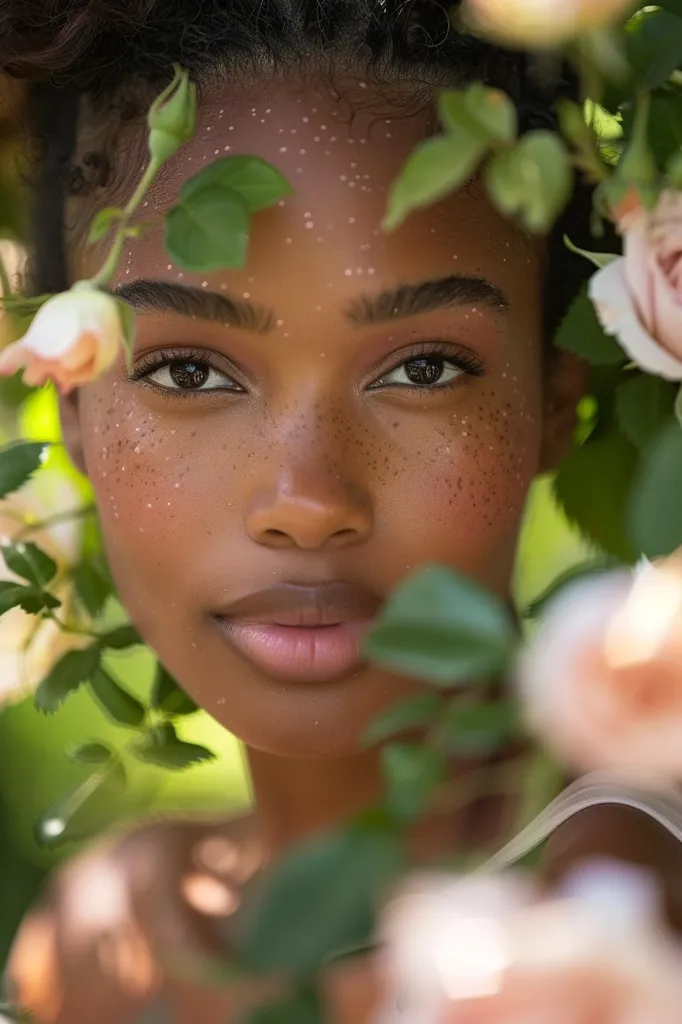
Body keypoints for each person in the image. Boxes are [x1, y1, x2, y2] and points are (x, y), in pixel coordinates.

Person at [4, 2, 682, 1021]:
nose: (306, 501)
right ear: (75, 404)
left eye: (423, 367)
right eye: (190, 370)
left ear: (555, 396)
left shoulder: (621, 932)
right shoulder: (108, 944)